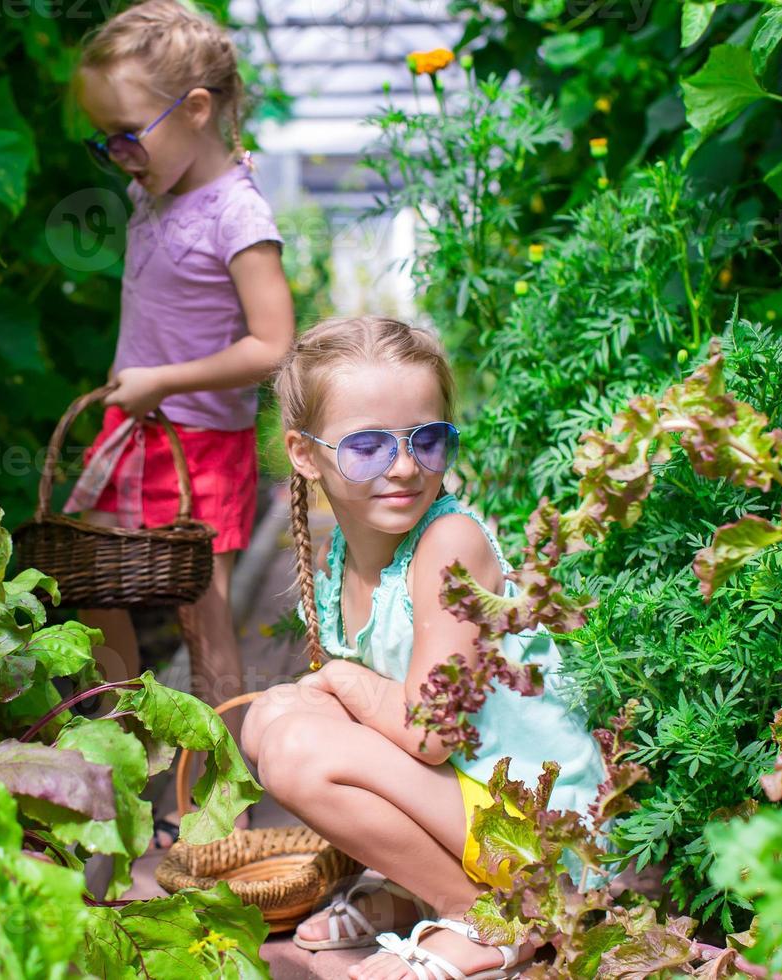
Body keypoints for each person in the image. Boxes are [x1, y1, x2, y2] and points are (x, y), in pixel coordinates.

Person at [240, 316, 608, 980]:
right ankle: (417, 890)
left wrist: (342, 686)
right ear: (303, 453)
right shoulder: (339, 557)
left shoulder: (448, 547)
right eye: (368, 447)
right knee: (269, 720)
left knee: (296, 746)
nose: (405, 467)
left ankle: (488, 917)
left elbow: (431, 736)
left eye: (428, 439)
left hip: (536, 827)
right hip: (471, 803)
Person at [70, 0, 295, 850]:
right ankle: (125, 765)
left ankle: (210, 804)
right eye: (104, 141)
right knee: (94, 590)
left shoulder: (238, 215)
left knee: (205, 620)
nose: (117, 157)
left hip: (200, 442)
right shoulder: (149, 192)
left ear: (195, 110)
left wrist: (162, 379)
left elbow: (275, 345)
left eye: (126, 134)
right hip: (133, 434)